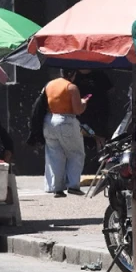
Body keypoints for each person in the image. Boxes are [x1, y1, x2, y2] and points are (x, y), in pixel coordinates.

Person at [43, 70, 88, 198]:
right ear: (72, 75)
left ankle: (57, 188)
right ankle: (73, 185)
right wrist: (84, 102)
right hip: (66, 121)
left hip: (48, 121)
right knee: (76, 153)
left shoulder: (49, 85)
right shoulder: (71, 87)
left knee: (54, 154)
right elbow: (78, 110)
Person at [72, 69, 113, 147]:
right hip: (80, 117)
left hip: (99, 116)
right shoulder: (74, 75)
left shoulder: (100, 74)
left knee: (100, 141)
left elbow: (111, 90)